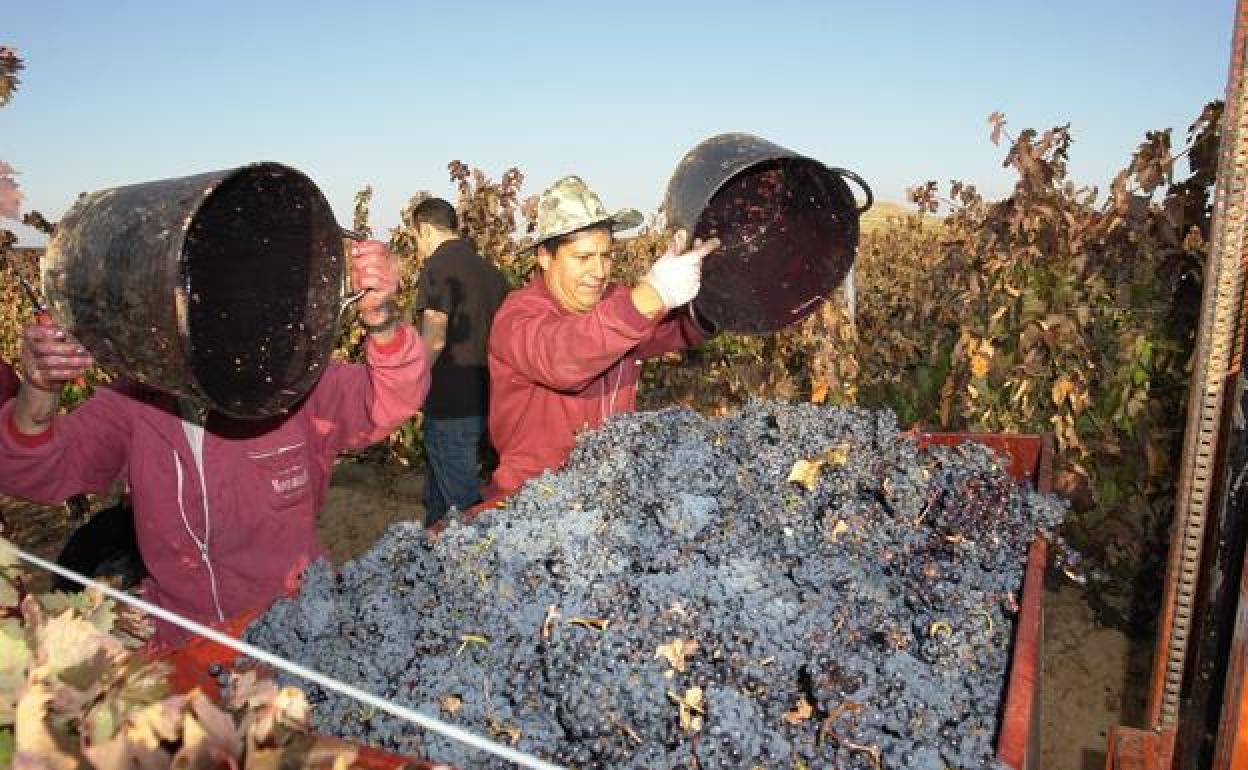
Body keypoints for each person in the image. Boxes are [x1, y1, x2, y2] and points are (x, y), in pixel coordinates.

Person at [0, 240, 430, 643]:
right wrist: (39, 386)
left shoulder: (295, 386)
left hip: (296, 629)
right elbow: (34, 471)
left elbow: (390, 398)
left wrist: (383, 318)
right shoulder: (136, 402)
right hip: (184, 636)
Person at [485, 175, 719, 499]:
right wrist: (653, 294)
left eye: (606, 255)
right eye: (583, 258)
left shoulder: (613, 300)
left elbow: (668, 331)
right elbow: (564, 358)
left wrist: (716, 303)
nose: (599, 271)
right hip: (535, 496)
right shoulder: (517, 318)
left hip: (605, 488)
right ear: (544, 256)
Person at [409, 198, 509, 526]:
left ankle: (484, 571)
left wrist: (406, 384)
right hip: (487, 400)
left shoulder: (438, 267)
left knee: (466, 511)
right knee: (438, 503)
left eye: (416, 238)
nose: (418, 248)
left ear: (423, 230)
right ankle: (432, 566)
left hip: (450, 404)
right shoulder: (491, 273)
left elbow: (434, 338)